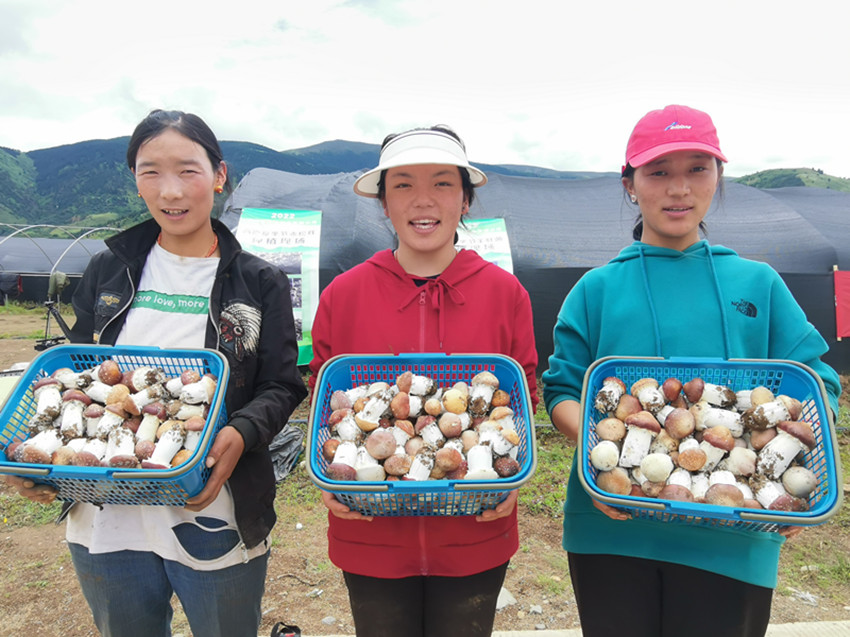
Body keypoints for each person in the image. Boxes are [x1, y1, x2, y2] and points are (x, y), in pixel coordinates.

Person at [542, 104, 841, 637]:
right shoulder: (597, 289)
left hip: (736, 527)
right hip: (614, 524)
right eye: (658, 172)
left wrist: (795, 476)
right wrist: (598, 465)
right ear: (630, 185)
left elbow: (819, 384)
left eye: (697, 169)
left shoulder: (759, 283)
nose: (678, 188)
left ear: (719, 177)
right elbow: (563, 389)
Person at [5, 109, 308, 637]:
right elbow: (78, 374)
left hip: (212, 501)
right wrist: (39, 459)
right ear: (135, 179)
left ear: (219, 175)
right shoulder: (108, 268)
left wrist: (240, 431)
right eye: (151, 172)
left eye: (188, 170)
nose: (171, 190)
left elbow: (281, 384)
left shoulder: (258, 281)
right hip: (105, 509)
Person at [308, 125, 539, 637]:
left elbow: (523, 395)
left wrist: (512, 478)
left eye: (442, 183)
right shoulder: (344, 295)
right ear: (383, 203)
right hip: (371, 529)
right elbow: (324, 402)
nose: (423, 200)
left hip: (474, 526)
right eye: (403, 185)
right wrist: (332, 476)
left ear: (465, 199)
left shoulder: (504, 293)